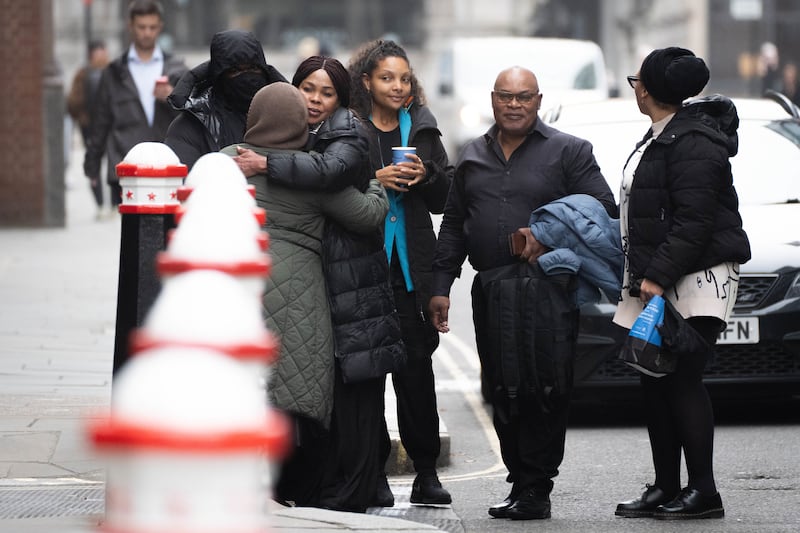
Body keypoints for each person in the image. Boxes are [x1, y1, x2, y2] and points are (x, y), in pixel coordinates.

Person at [429, 66, 616, 520]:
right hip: (491, 289)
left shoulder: (570, 151)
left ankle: (537, 486)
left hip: (548, 289)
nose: (514, 105)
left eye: (524, 97)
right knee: (500, 386)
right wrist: (441, 287)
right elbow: (454, 224)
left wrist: (548, 236)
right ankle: (519, 479)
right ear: (493, 99)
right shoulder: (471, 155)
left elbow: (602, 213)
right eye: (506, 97)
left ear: (538, 100)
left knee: (544, 386)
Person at [220, 80, 393, 510]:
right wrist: (375, 182)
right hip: (301, 294)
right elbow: (368, 216)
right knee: (293, 388)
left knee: (244, 387)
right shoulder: (313, 174)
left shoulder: (227, 162)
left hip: (237, 285)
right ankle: (289, 489)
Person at [614, 48, 751, 520]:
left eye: (637, 80)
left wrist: (656, 275)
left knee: (683, 380)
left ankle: (704, 492)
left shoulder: (694, 141)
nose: (634, 87)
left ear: (646, 88)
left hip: (695, 277)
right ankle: (666, 486)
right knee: (653, 379)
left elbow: (694, 221)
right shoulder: (664, 135)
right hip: (656, 277)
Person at [347, 39, 454, 507]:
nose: (396, 85)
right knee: (368, 379)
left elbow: (445, 199)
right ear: (366, 81)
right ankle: (375, 475)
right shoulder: (349, 128)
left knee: (416, 376)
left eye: (404, 78)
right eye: (386, 77)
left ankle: (426, 473)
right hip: (364, 270)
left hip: (412, 276)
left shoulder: (423, 128)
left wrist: (425, 175)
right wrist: (376, 178)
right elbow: (336, 184)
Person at [83, 0, 187, 209]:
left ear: (160, 27)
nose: (147, 33)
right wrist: (92, 166)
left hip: (167, 165)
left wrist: (172, 96)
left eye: (152, 27)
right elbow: (101, 120)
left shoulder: (177, 69)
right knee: (128, 237)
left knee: (165, 234)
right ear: (130, 26)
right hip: (125, 167)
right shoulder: (114, 71)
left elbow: (192, 114)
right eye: (141, 27)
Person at [165, 29, 286, 169]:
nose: (246, 77)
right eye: (235, 71)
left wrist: (266, 165)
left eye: (253, 68)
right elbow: (184, 181)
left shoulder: (286, 117)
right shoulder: (192, 124)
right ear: (218, 77)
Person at [67, 39, 110, 218]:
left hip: (112, 127)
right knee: (94, 167)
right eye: (98, 52)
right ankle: (100, 205)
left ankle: (115, 204)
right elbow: (73, 102)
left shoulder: (113, 72)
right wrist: (82, 115)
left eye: (103, 51)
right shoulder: (82, 74)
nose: (102, 55)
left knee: (115, 165)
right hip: (90, 128)